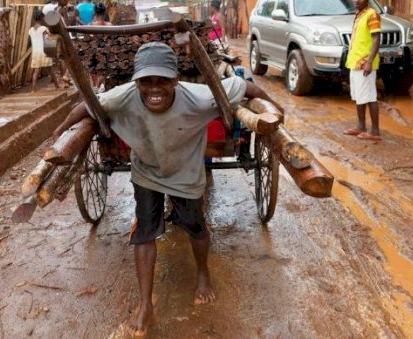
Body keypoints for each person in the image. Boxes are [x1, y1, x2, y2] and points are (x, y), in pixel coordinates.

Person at [52, 42, 280, 336]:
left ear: (175, 79)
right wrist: (60, 131)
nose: (154, 88)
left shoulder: (199, 96)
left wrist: (277, 110)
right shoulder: (124, 96)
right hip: (147, 172)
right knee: (144, 233)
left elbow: (245, 87)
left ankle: (202, 273)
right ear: (136, 82)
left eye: (162, 81)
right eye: (146, 81)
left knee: (196, 227)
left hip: (186, 173)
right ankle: (145, 304)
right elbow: (87, 105)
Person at [343, 0, 381, 141]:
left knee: (370, 96)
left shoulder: (372, 14)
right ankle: (361, 126)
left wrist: (370, 61)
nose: (356, 1)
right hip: (355, 62)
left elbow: (377, 38)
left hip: (365, 62)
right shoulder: (360, 14)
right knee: (359, 95)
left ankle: (375, 132)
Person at [29, 11, 62, 93]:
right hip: (44, 52)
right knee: (50, 69)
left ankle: (33, 89)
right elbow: (48, 39)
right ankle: (57, 86)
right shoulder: (44, 29)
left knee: (36, 70)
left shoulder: (31, 30)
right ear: (41, 18)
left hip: (35, 52)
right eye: (43, 18)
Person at [89, 3, 112, 91]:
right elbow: (111, 39)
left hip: (93, 51)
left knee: (93, 71)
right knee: (104, 71)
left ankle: (95, 87)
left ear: (95, 12)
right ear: (105, 12)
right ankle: (98, 87)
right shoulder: (109, 25)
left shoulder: (90, 25)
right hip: (105, 51)